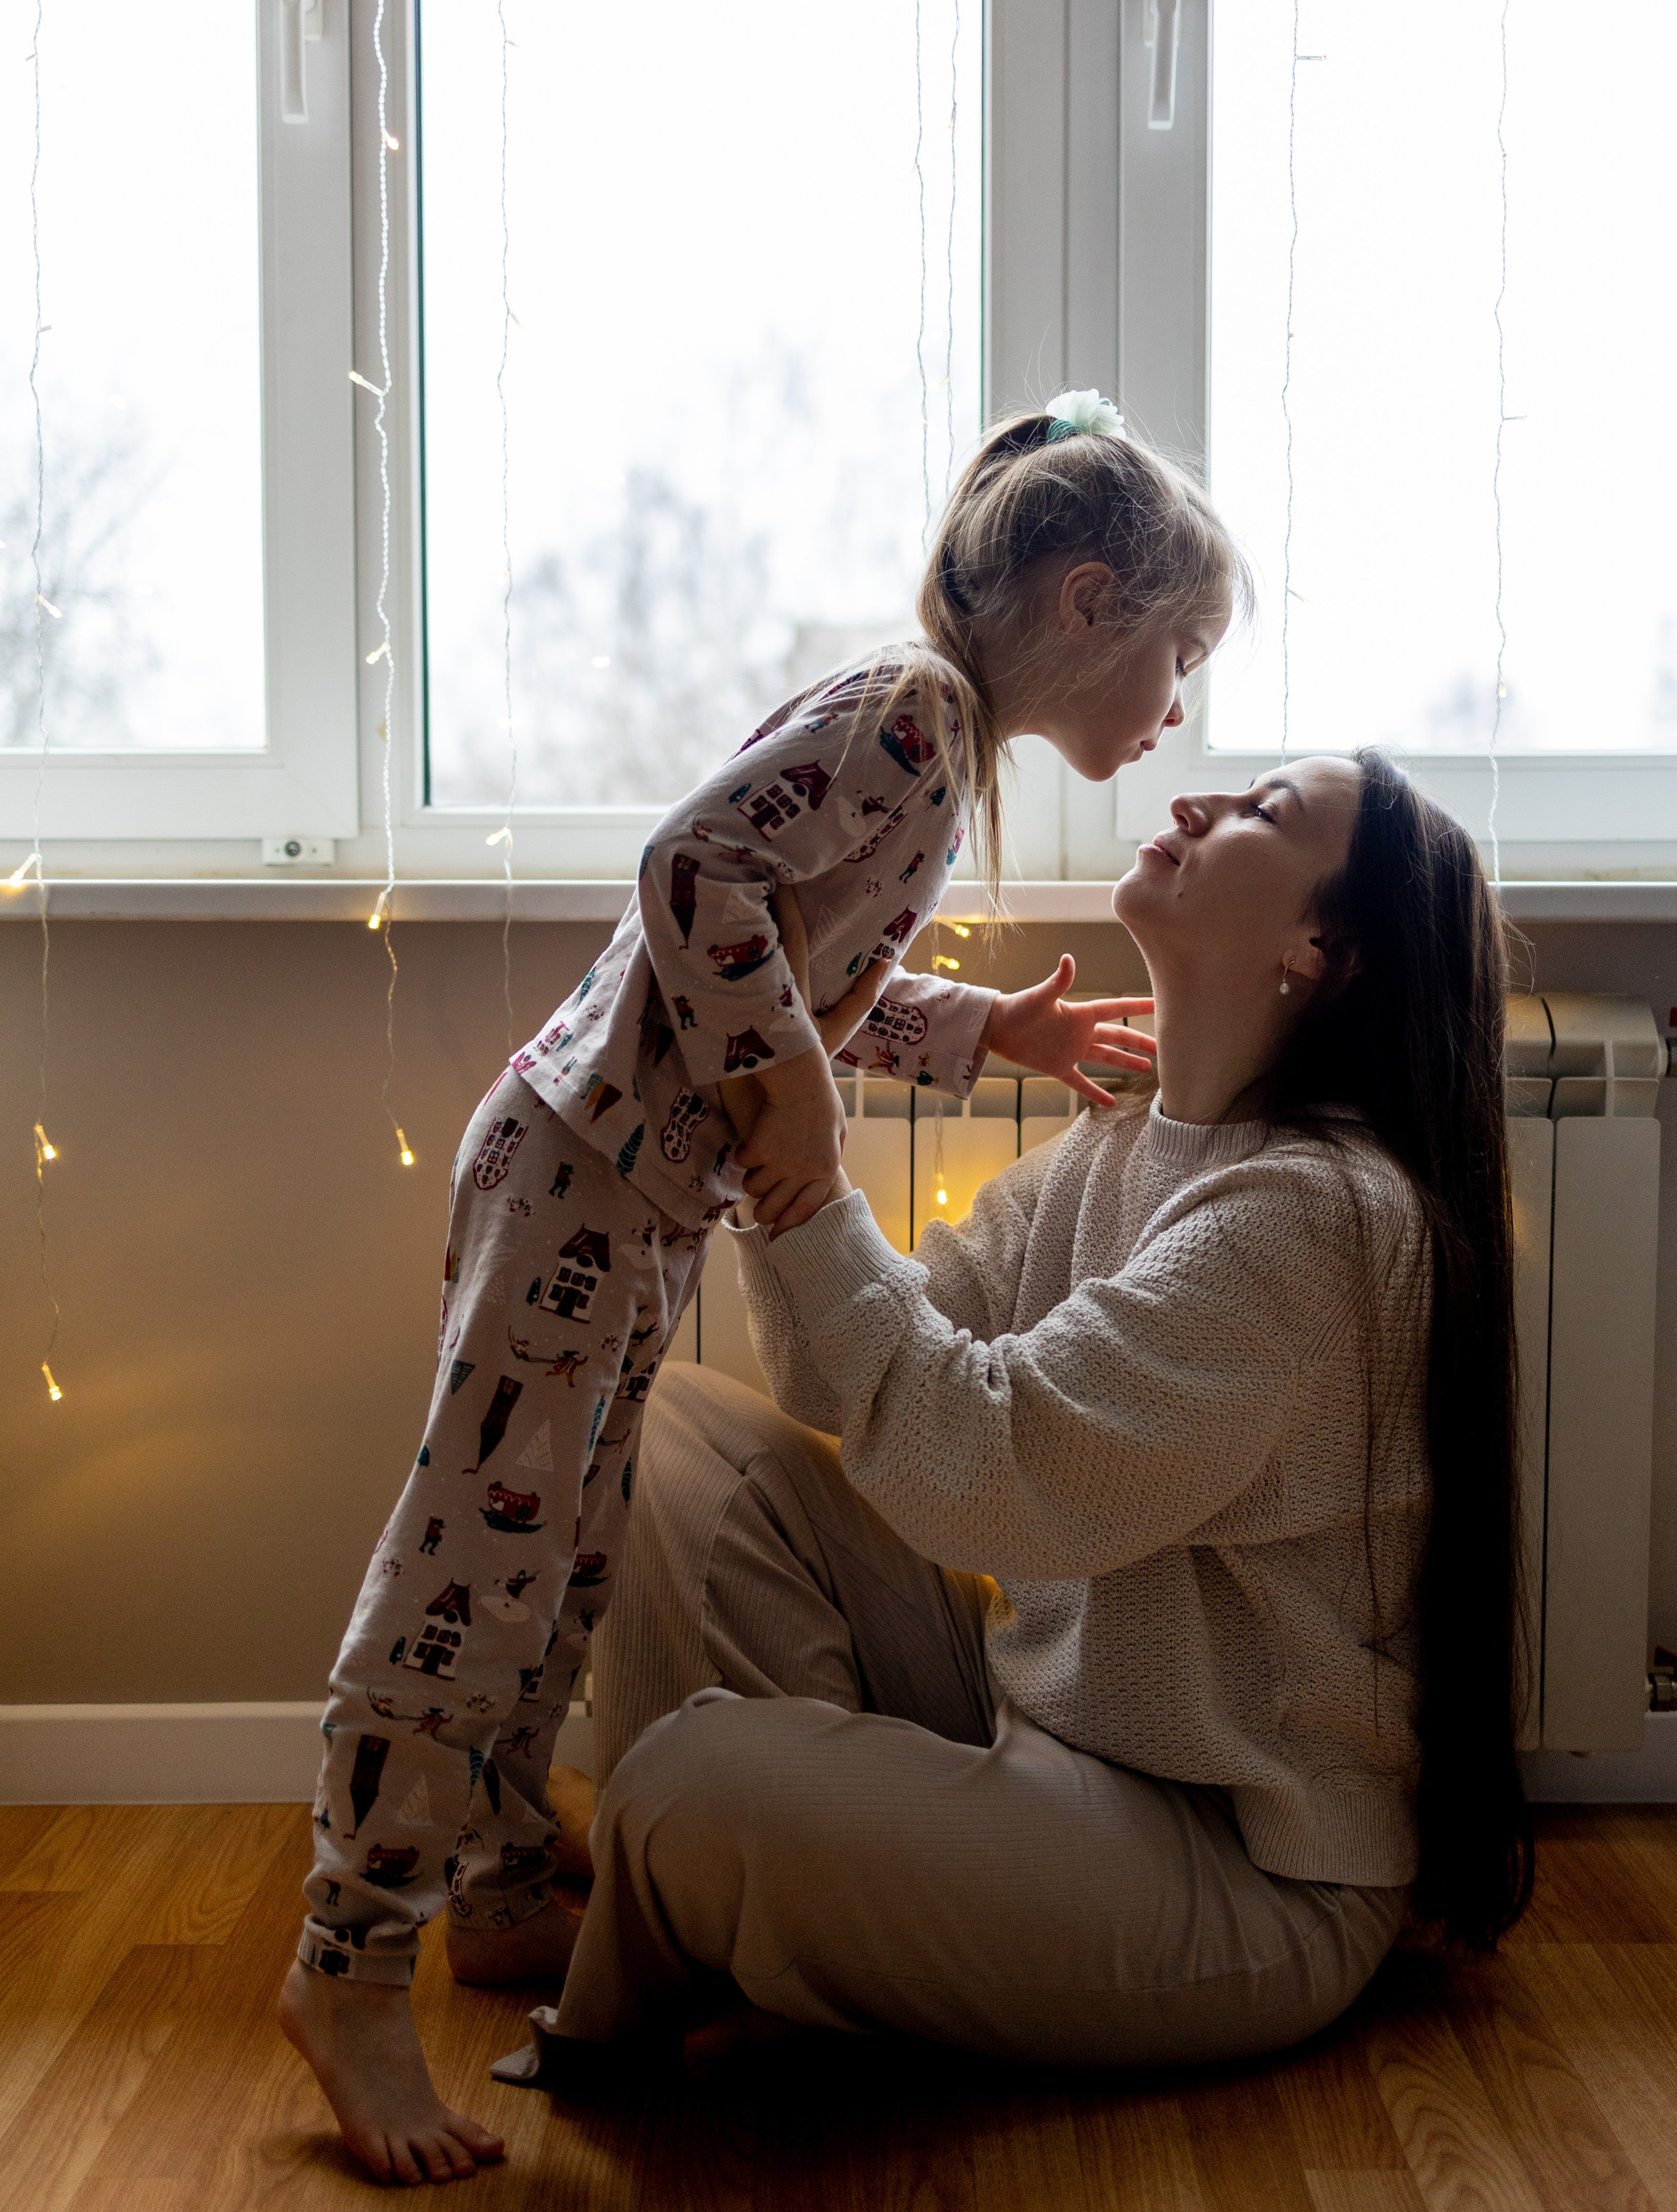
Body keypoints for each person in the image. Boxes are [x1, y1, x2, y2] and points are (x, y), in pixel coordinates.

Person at [280, 390, 1244, 2184]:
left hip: (633, 1194)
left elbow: (788, 957)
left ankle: (493, 1888)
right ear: (1087, 600)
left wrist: (973, 1025)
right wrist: (795, 1085)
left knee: (562, 1555)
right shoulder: (909, 711)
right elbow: (691, 869)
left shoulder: (936, 749)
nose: (1174, 707)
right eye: (1175, 656)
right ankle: (346, 1964)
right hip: (577, 1165)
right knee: (469, 1572)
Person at [491, 750, 1534, 2095]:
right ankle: (802, 1882)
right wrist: (785, 1151)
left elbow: (985, 1465)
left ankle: (759, 1868)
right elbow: (844, 1373)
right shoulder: (1117, 1150)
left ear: (1319, 948)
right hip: (1042, 1722)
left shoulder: (1317, 1215)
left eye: (1261, 815)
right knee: (667, 1419)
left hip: (1234, 1865)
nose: (1192, 805)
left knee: (693, 1788)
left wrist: (806, 1173)